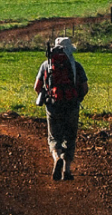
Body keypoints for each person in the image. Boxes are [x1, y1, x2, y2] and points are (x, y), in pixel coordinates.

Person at [33, 37, 88, 181]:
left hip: (53, 105)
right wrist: (77, 98)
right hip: (72, 105)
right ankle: (67, 170)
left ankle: (57, 157)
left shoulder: (46, 65)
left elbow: (37, 87)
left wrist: (45, 96)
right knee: (70, 137)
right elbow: (85, 88)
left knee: (54, 137)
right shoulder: (76, 66)